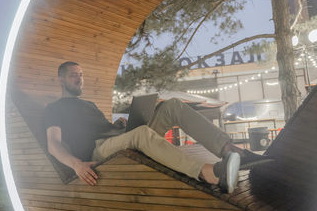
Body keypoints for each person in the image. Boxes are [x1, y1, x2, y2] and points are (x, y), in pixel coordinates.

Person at [44, 61, 273, 193]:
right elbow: (53, 144)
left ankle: (232, 152)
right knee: (142, 133)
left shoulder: (89, 104)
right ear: (61, 80)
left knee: (172, 105)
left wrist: (118, 125)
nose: (80, 78)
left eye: (81, 75)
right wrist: (77, 165)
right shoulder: (54, 109)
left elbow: (101, 127)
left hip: (116, 137)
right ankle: (211, 175)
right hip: (98, 152)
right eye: (74, 75)